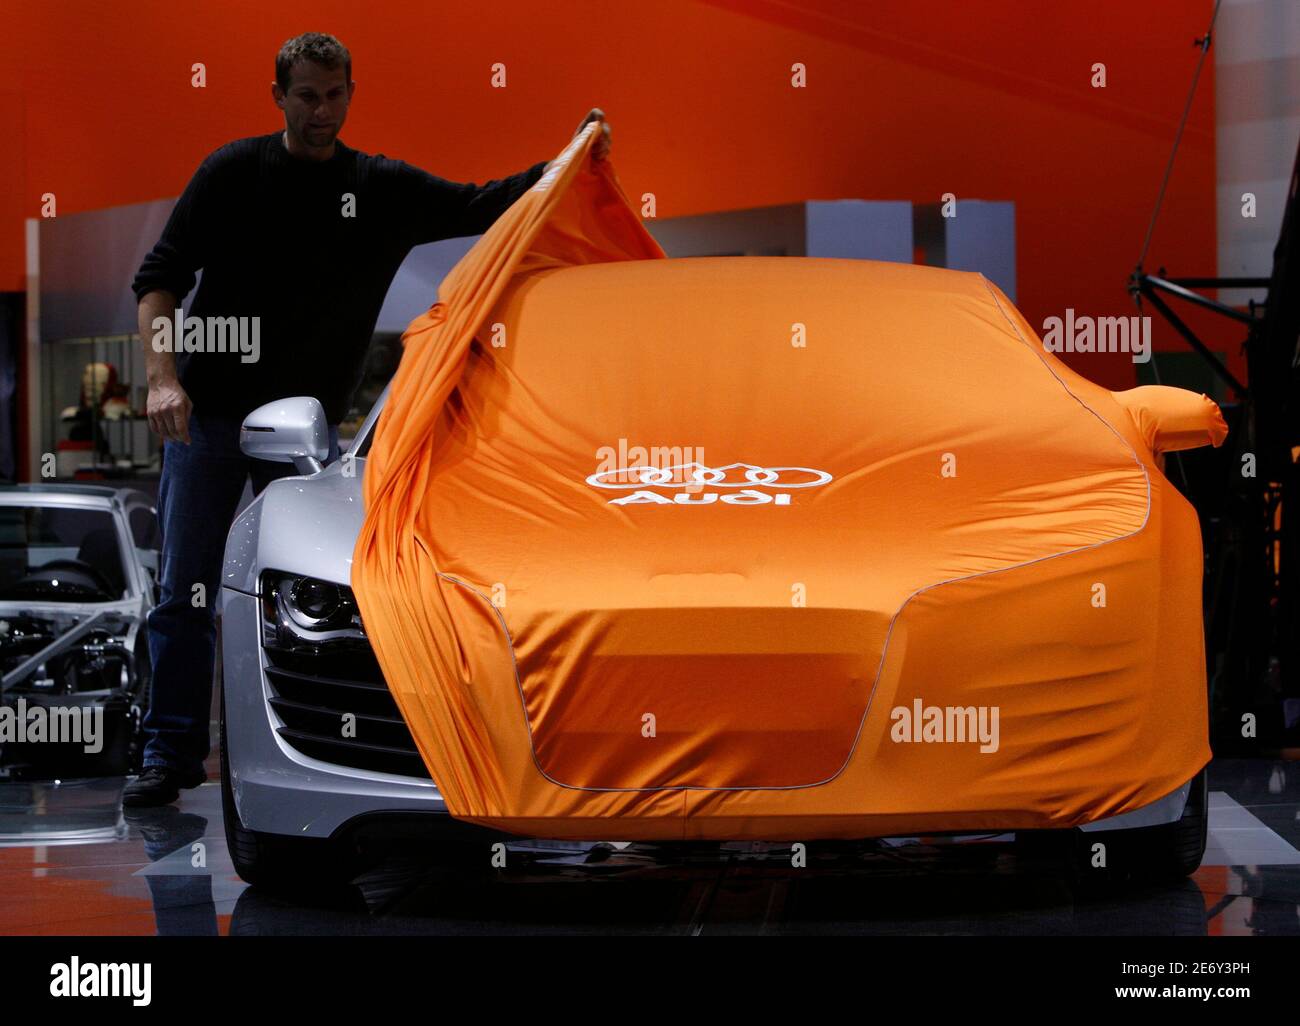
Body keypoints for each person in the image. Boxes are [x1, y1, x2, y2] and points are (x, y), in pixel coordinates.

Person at [125, 31, 611, 806]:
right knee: (186, 593)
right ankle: (168, 754)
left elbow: (487, 202)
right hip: (209, 418)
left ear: (351, 94)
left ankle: (340, 754)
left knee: (326, 597)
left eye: (335, 94)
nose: (322, 110)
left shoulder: (379, 187)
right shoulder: (231, 173)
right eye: (307, 95)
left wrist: (571, 159)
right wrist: (160, 380)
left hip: (309, 433)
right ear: (278, 97)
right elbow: (157, 280)